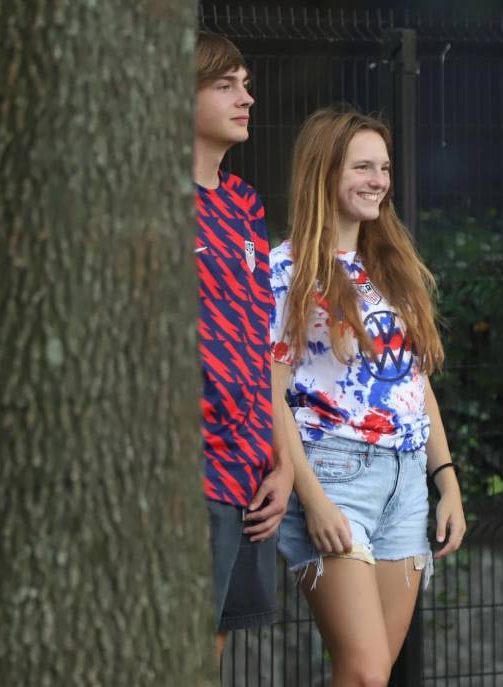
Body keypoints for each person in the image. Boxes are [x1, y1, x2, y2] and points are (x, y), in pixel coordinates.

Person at [270, 106, 466, 686]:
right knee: (364, 672)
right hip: (333, 474)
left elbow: (414, 382)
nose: (378, 179)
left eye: (383, 166)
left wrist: (446, 482)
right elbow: (271, 393)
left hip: (407, 486)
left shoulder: (392, 267)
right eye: (362, 166)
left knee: (373, 677)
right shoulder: (287, 271)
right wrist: (314, 501)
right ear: (324, 172)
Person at [193, 32, 293, 661]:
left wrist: (282, 463)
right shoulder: (145, 205)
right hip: (191, 467)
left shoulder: (246, 205)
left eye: (247, 84)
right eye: (225, 85)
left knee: (215, 647)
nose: (246, 98)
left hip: (250, 471)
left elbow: (266, 347)